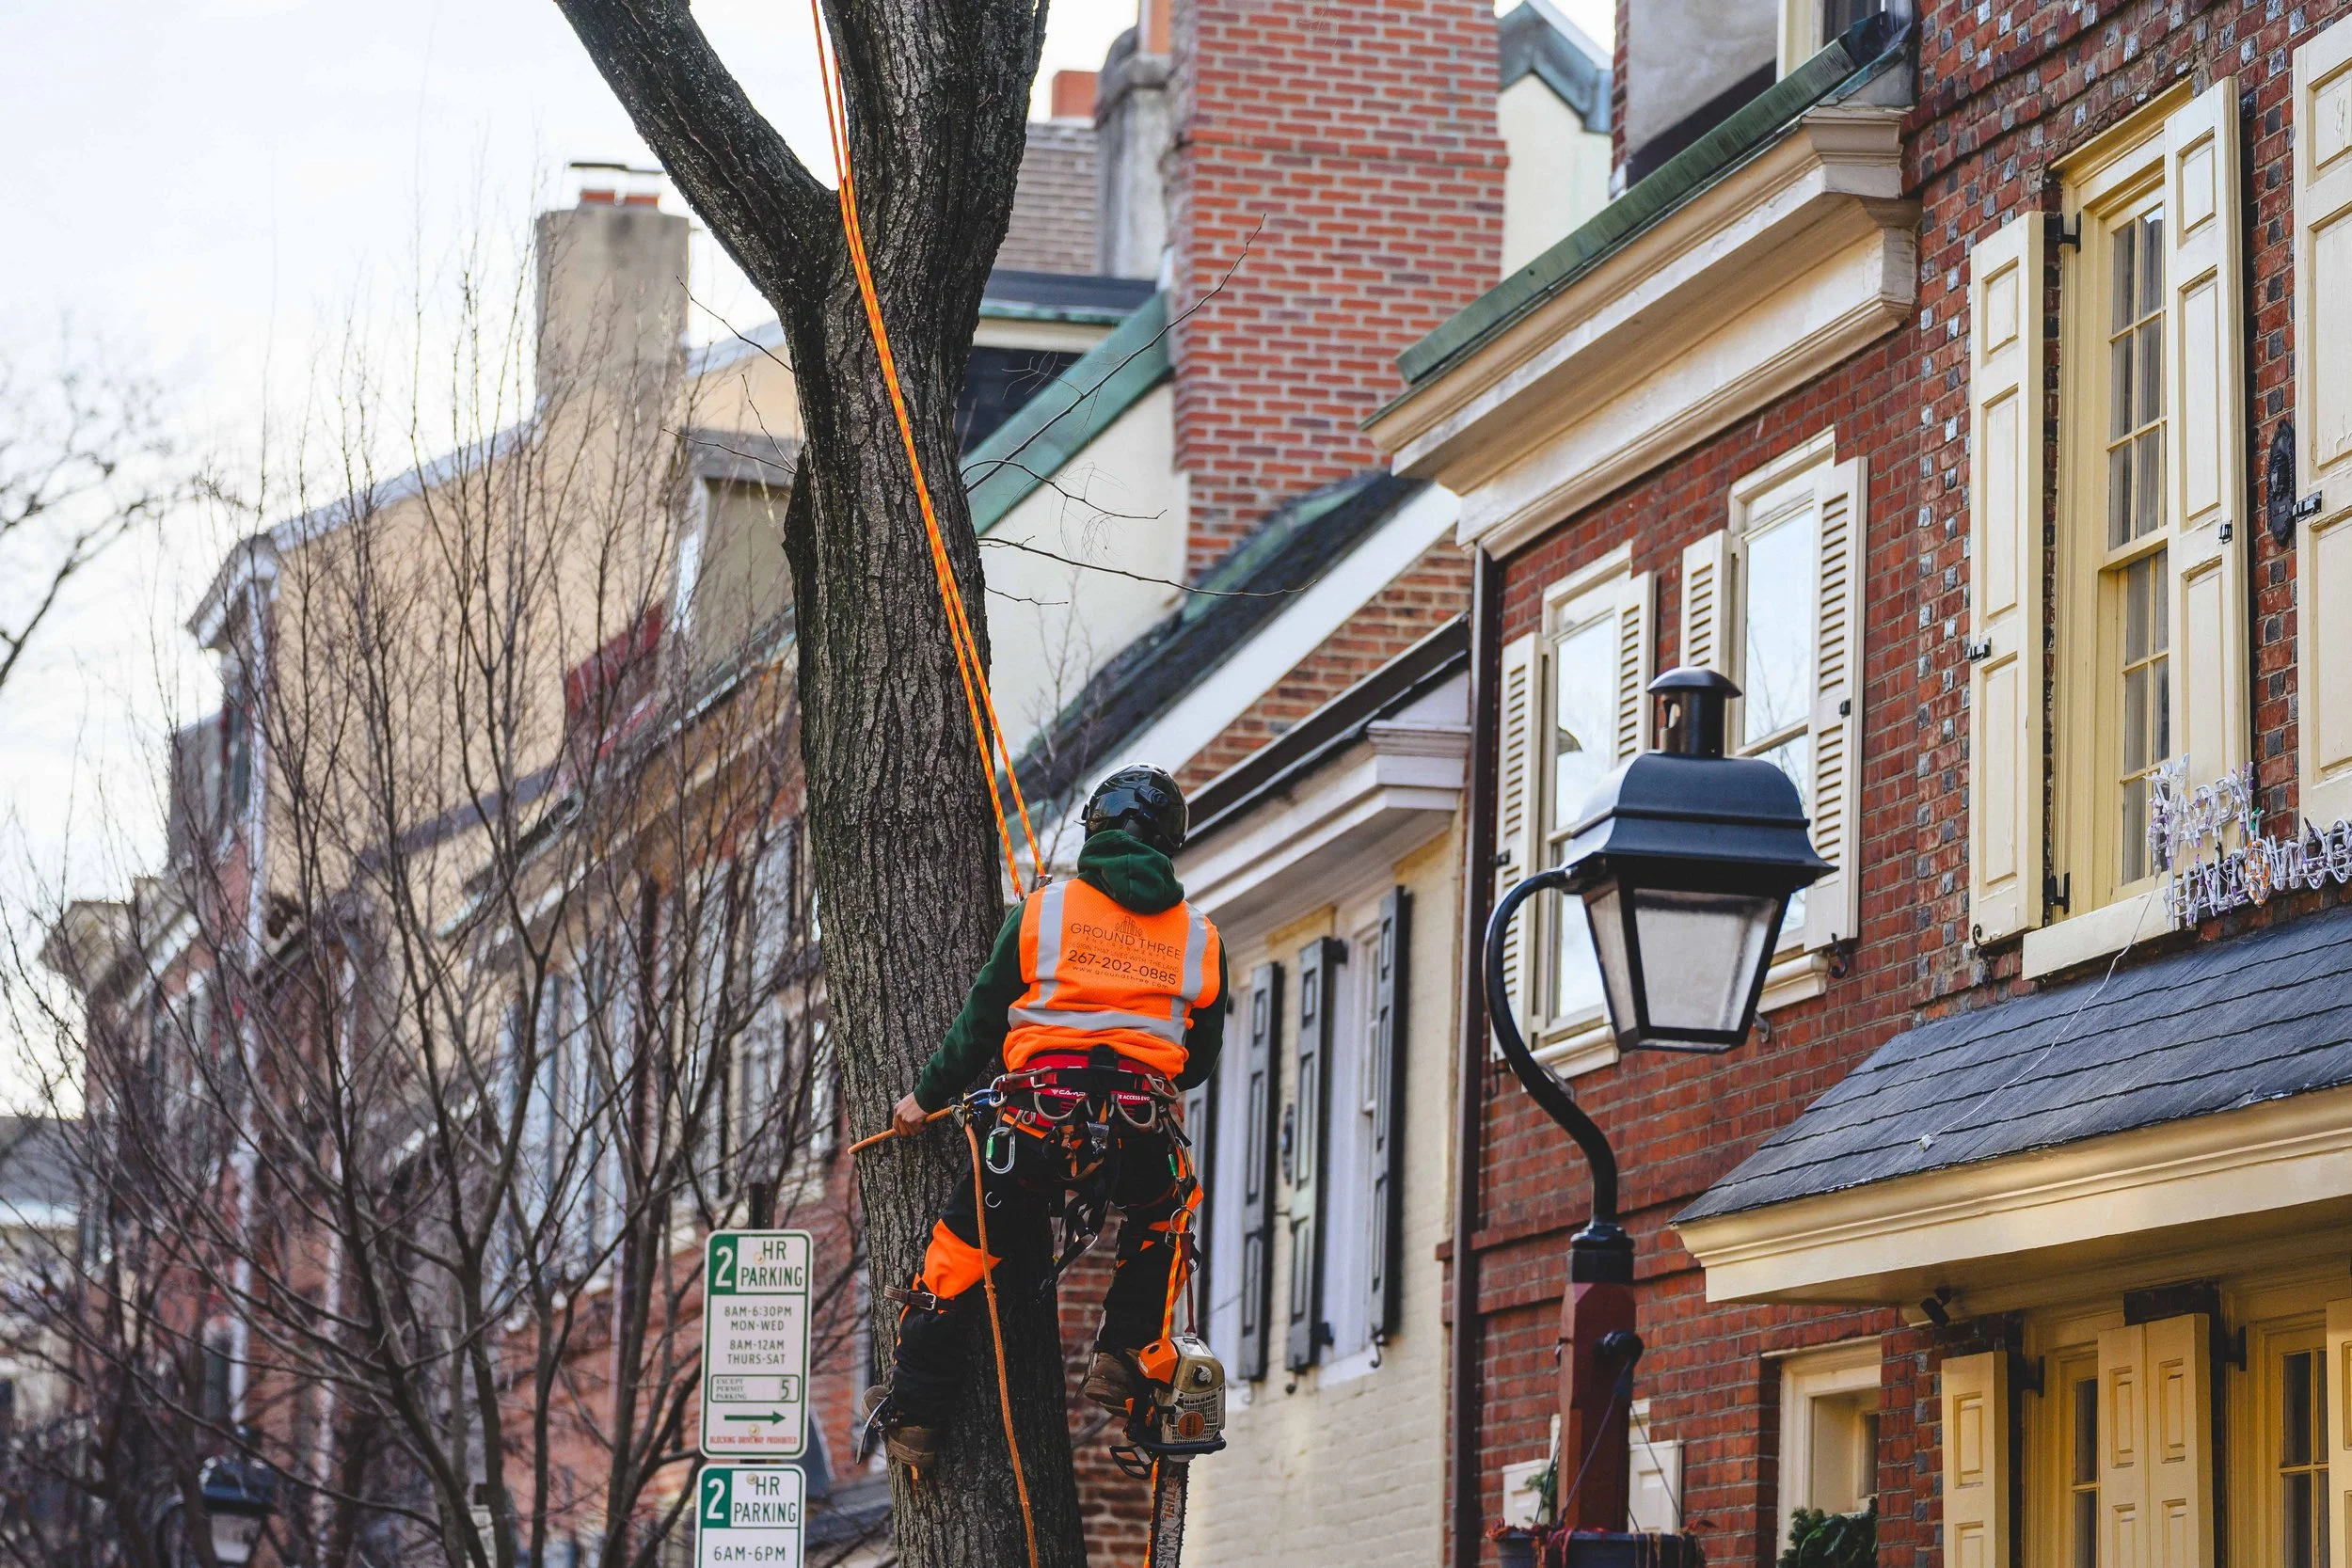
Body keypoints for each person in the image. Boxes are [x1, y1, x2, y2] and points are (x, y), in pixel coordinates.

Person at [866, 765, 1226, 1470]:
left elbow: (981, 1018)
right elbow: (1196, 1061)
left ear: (1094, 826)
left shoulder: (1045, 911)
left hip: (1032, 1124)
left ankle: (914, 1417)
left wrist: (925, 1096)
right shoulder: (1200, 938)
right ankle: (1123, 1356)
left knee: (958, 1252)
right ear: (1169, 842)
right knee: (1166, 1212)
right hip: (1134, 1129)